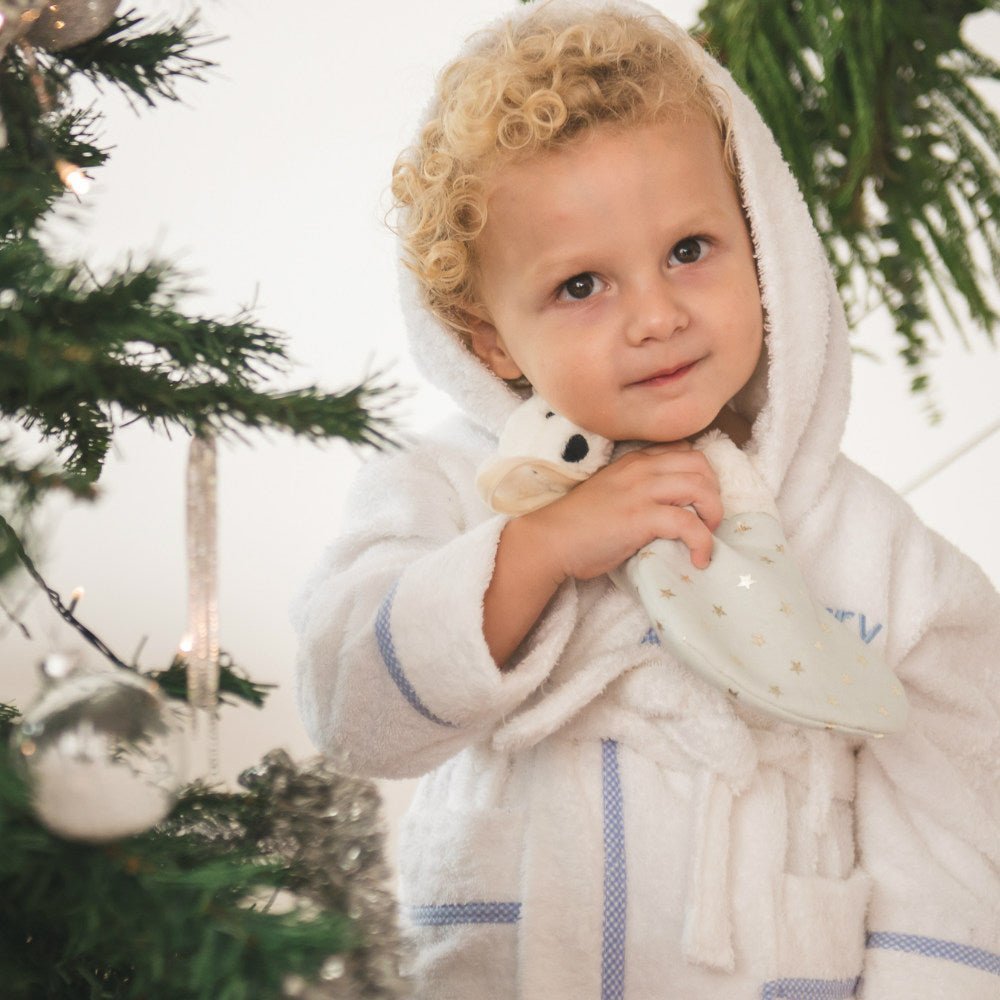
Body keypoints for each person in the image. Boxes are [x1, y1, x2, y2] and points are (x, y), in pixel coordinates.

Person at [293, 2, 1000, 997]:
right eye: (582, 284)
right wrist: (535, 549)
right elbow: (352, 713)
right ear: (486, 336)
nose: (657, 316)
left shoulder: (873, 549)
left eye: (688, 250)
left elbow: (952, 830)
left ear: (761, 240)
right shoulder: (447, 492)